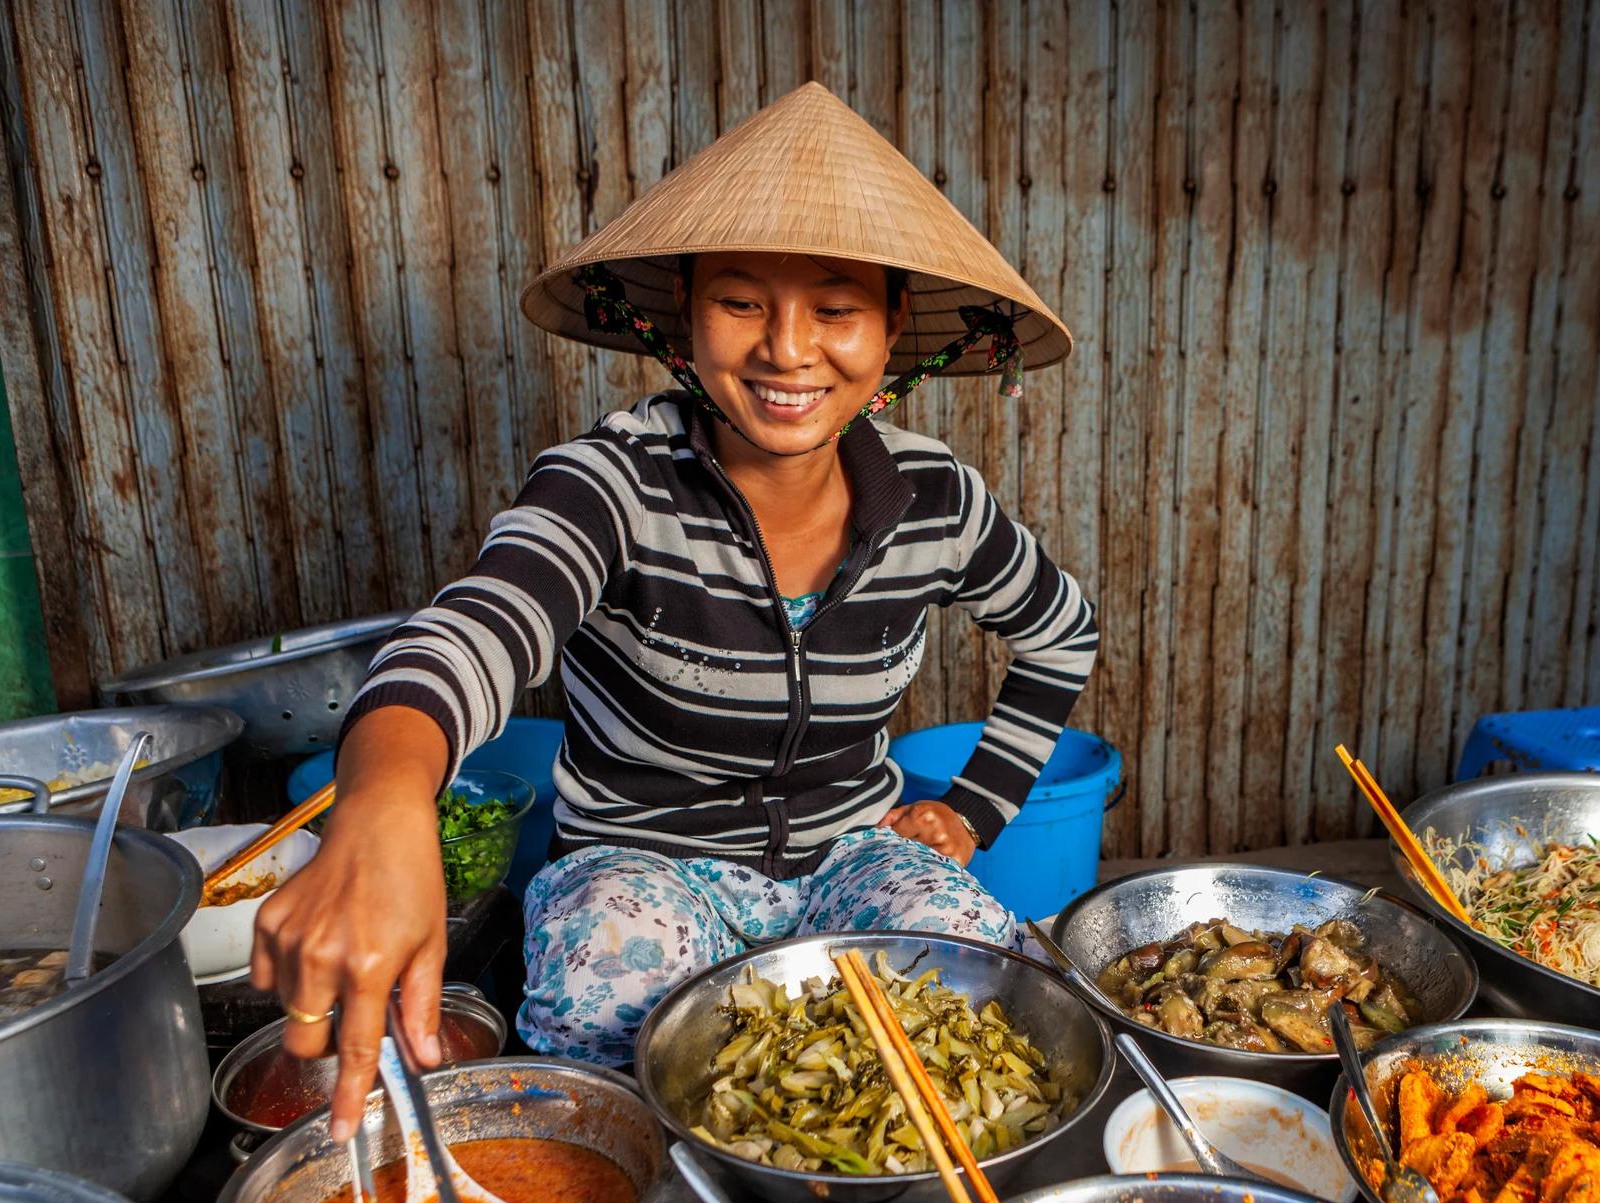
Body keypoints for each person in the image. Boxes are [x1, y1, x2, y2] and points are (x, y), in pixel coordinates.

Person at [253, 82, 1096, 1141]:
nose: (788, 350)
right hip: (637, 867)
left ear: (891, 336)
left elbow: (1064, 628)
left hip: (852, 854)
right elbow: (474, 629)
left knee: (985, 1001)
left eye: (835, 309)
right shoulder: (611, 482)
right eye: (742, 302)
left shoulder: (936, 501)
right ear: (684, 322)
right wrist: (381, 805)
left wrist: (972, 810)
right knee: (617, 1023)